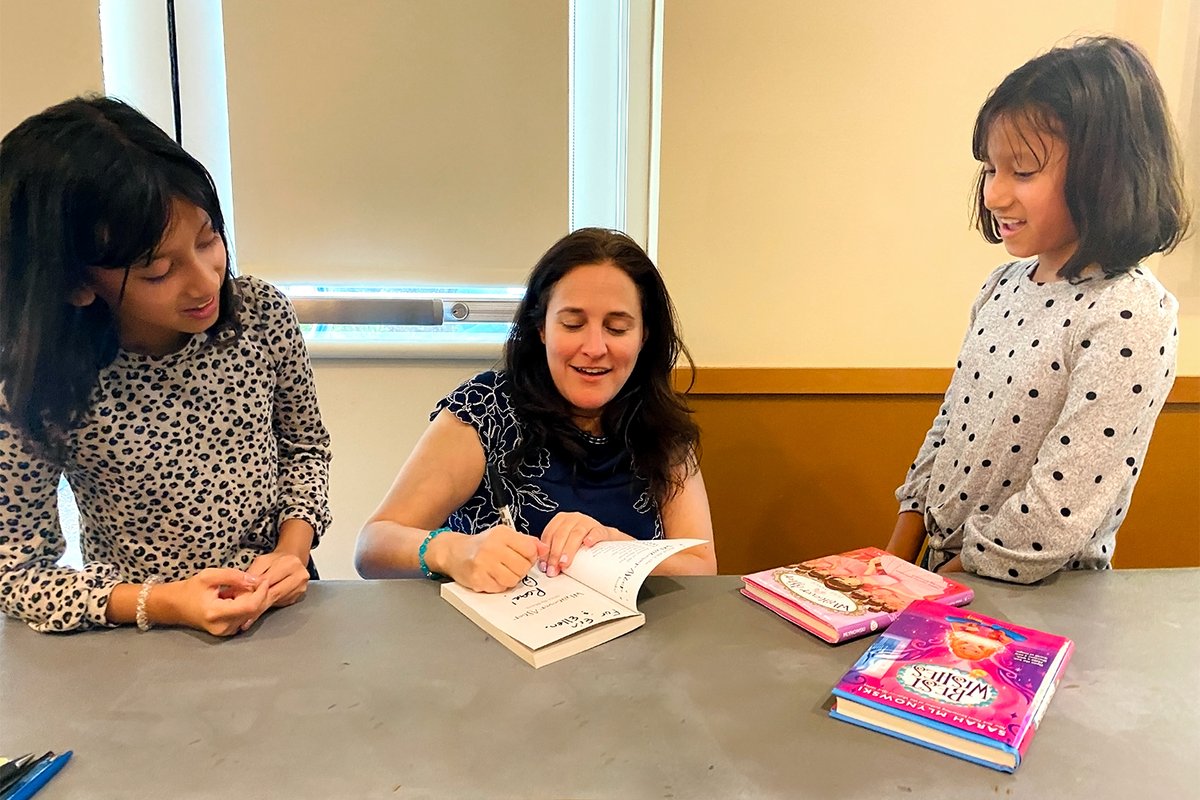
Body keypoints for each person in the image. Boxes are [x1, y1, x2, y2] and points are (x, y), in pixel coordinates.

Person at [0, 96, 332, 634]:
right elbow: (16, 573)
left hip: (280, 606)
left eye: (208, 239)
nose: (205, 282)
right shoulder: (35, 385)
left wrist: (292, 551)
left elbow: (305, 447)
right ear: (75, 283)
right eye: (158, 271)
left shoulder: (260, 315)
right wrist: (163, 603)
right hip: (141, 627)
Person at [886, 37, 1189, 583]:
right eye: (990, 170)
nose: (994, 195)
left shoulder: (1129, 314)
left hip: (1031, 602)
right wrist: (891, 566)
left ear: (1106, 173)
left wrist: (931, 589)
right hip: (942, 583)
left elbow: (1055, 513)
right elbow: (948, 429)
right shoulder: (1003, 285)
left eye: (1022, 172)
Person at [355, 228, 715, 590]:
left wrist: (616, 548)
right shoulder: (486, 409)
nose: (594, 347)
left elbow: (701, 567)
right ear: (541, 327)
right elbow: (372, 546)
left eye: (617, 328)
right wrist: (450, 550)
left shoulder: (659, 421)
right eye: (572, 324)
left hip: (640, 639)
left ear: (644, 336)